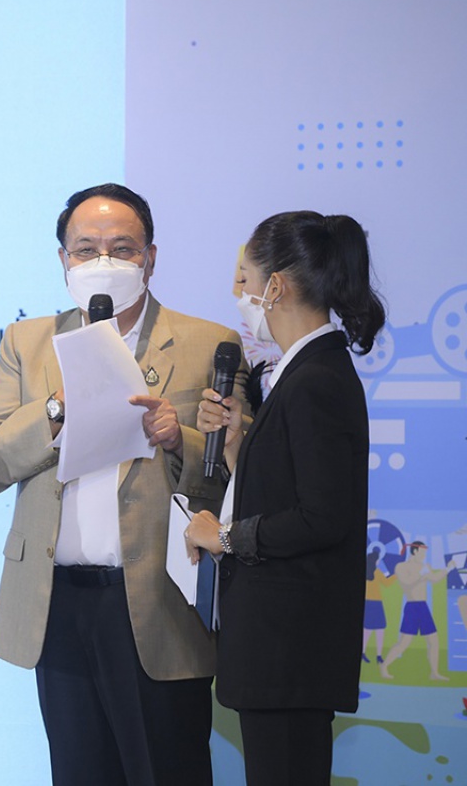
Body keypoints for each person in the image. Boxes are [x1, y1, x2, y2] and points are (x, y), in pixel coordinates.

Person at [0, 183, 248, 786]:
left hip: (157, 605)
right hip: (57, 602)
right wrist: (54, 410)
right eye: (85, 249)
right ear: (63, 259)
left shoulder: (210, 343)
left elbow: (236, 479)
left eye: (121, 248)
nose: (103, 262)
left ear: (150, 257)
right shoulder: (28, 343)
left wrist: (179, 439)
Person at [186, 210, 386, 786]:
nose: (238, 294)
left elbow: (322, 517)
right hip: (280, 653)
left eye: (244, 278)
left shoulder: (316, 380)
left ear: (275, 286)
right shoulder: (304, 373)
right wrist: (237, 448)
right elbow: (289, 488)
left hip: (289, 651)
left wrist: (223, 537)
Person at [380, 541, 455, 680]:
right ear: (415, 551)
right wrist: (422, 573)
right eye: (423, 552)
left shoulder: (424, 566)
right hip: (412, 607)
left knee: (434, 641)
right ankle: (384, 666)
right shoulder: (401, 566)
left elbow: (434, 579)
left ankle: (434, 673)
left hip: (423, 607)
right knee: (404, 643)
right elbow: (407, 583)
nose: (424, 555)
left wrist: (448, 568)